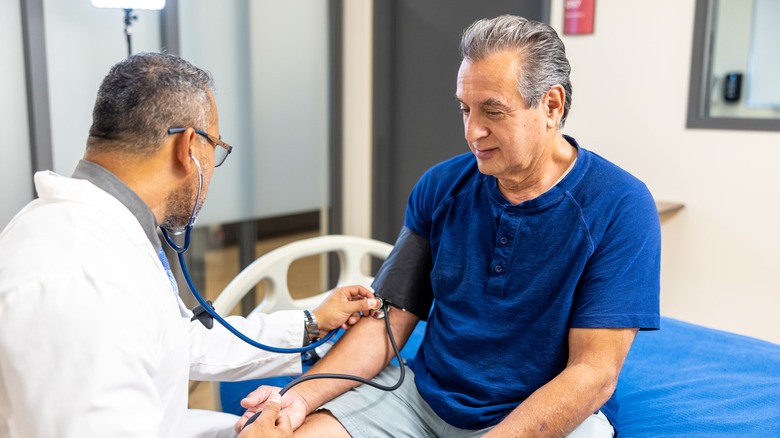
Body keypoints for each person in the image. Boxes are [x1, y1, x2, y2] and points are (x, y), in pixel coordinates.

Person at [236, 15, 661, 438]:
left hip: (540, 414)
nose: (472, 131)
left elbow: (593, 373)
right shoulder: (441, 187)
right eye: (465, 109)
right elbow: (388, 323)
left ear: (551, 105)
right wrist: (300, 396)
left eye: (493, 111)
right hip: (420, 399)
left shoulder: (621, 205)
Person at [0, 52, 379, 438]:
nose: (213, 166)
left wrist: (312, 324)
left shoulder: (96, 229)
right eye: (215, 148)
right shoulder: (84, 279)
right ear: (187, 148)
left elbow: (175, 341)